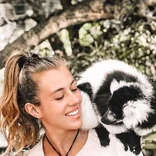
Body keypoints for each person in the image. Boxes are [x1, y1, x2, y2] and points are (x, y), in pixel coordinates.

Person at [0, 52, 140, 156]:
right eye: (60, 97)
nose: (75, 100)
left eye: (74, 88)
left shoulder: (119, 143)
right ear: (34, 110)